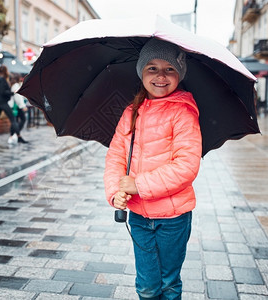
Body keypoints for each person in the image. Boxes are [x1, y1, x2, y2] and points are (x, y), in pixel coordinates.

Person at [104, 38, 202, 299]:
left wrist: (139, 184)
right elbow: (116, 155)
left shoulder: (183, 113)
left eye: (169, 68)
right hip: (138, 215)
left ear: (179, 74)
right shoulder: (131, 112)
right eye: (152, 68)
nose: (161, 75)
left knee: (168, 282)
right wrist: (116, 191)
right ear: (141, 72)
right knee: (147, 285)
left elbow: (187, 165)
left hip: (173, 218)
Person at [0, 65, 27, 146]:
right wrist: (13, 93)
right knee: (13, 119)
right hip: (2, 102)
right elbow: (3, 92)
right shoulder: (2, 80)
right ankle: (19, 136)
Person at [8, 74, 28, 144]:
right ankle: (17, 135)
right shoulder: (16, 85)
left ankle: (13, 136)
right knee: (22, 119)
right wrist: (22, 106)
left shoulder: (14, 85)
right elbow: (18, 97)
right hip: (16, 107)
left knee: (14, 122)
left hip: (14, 106)